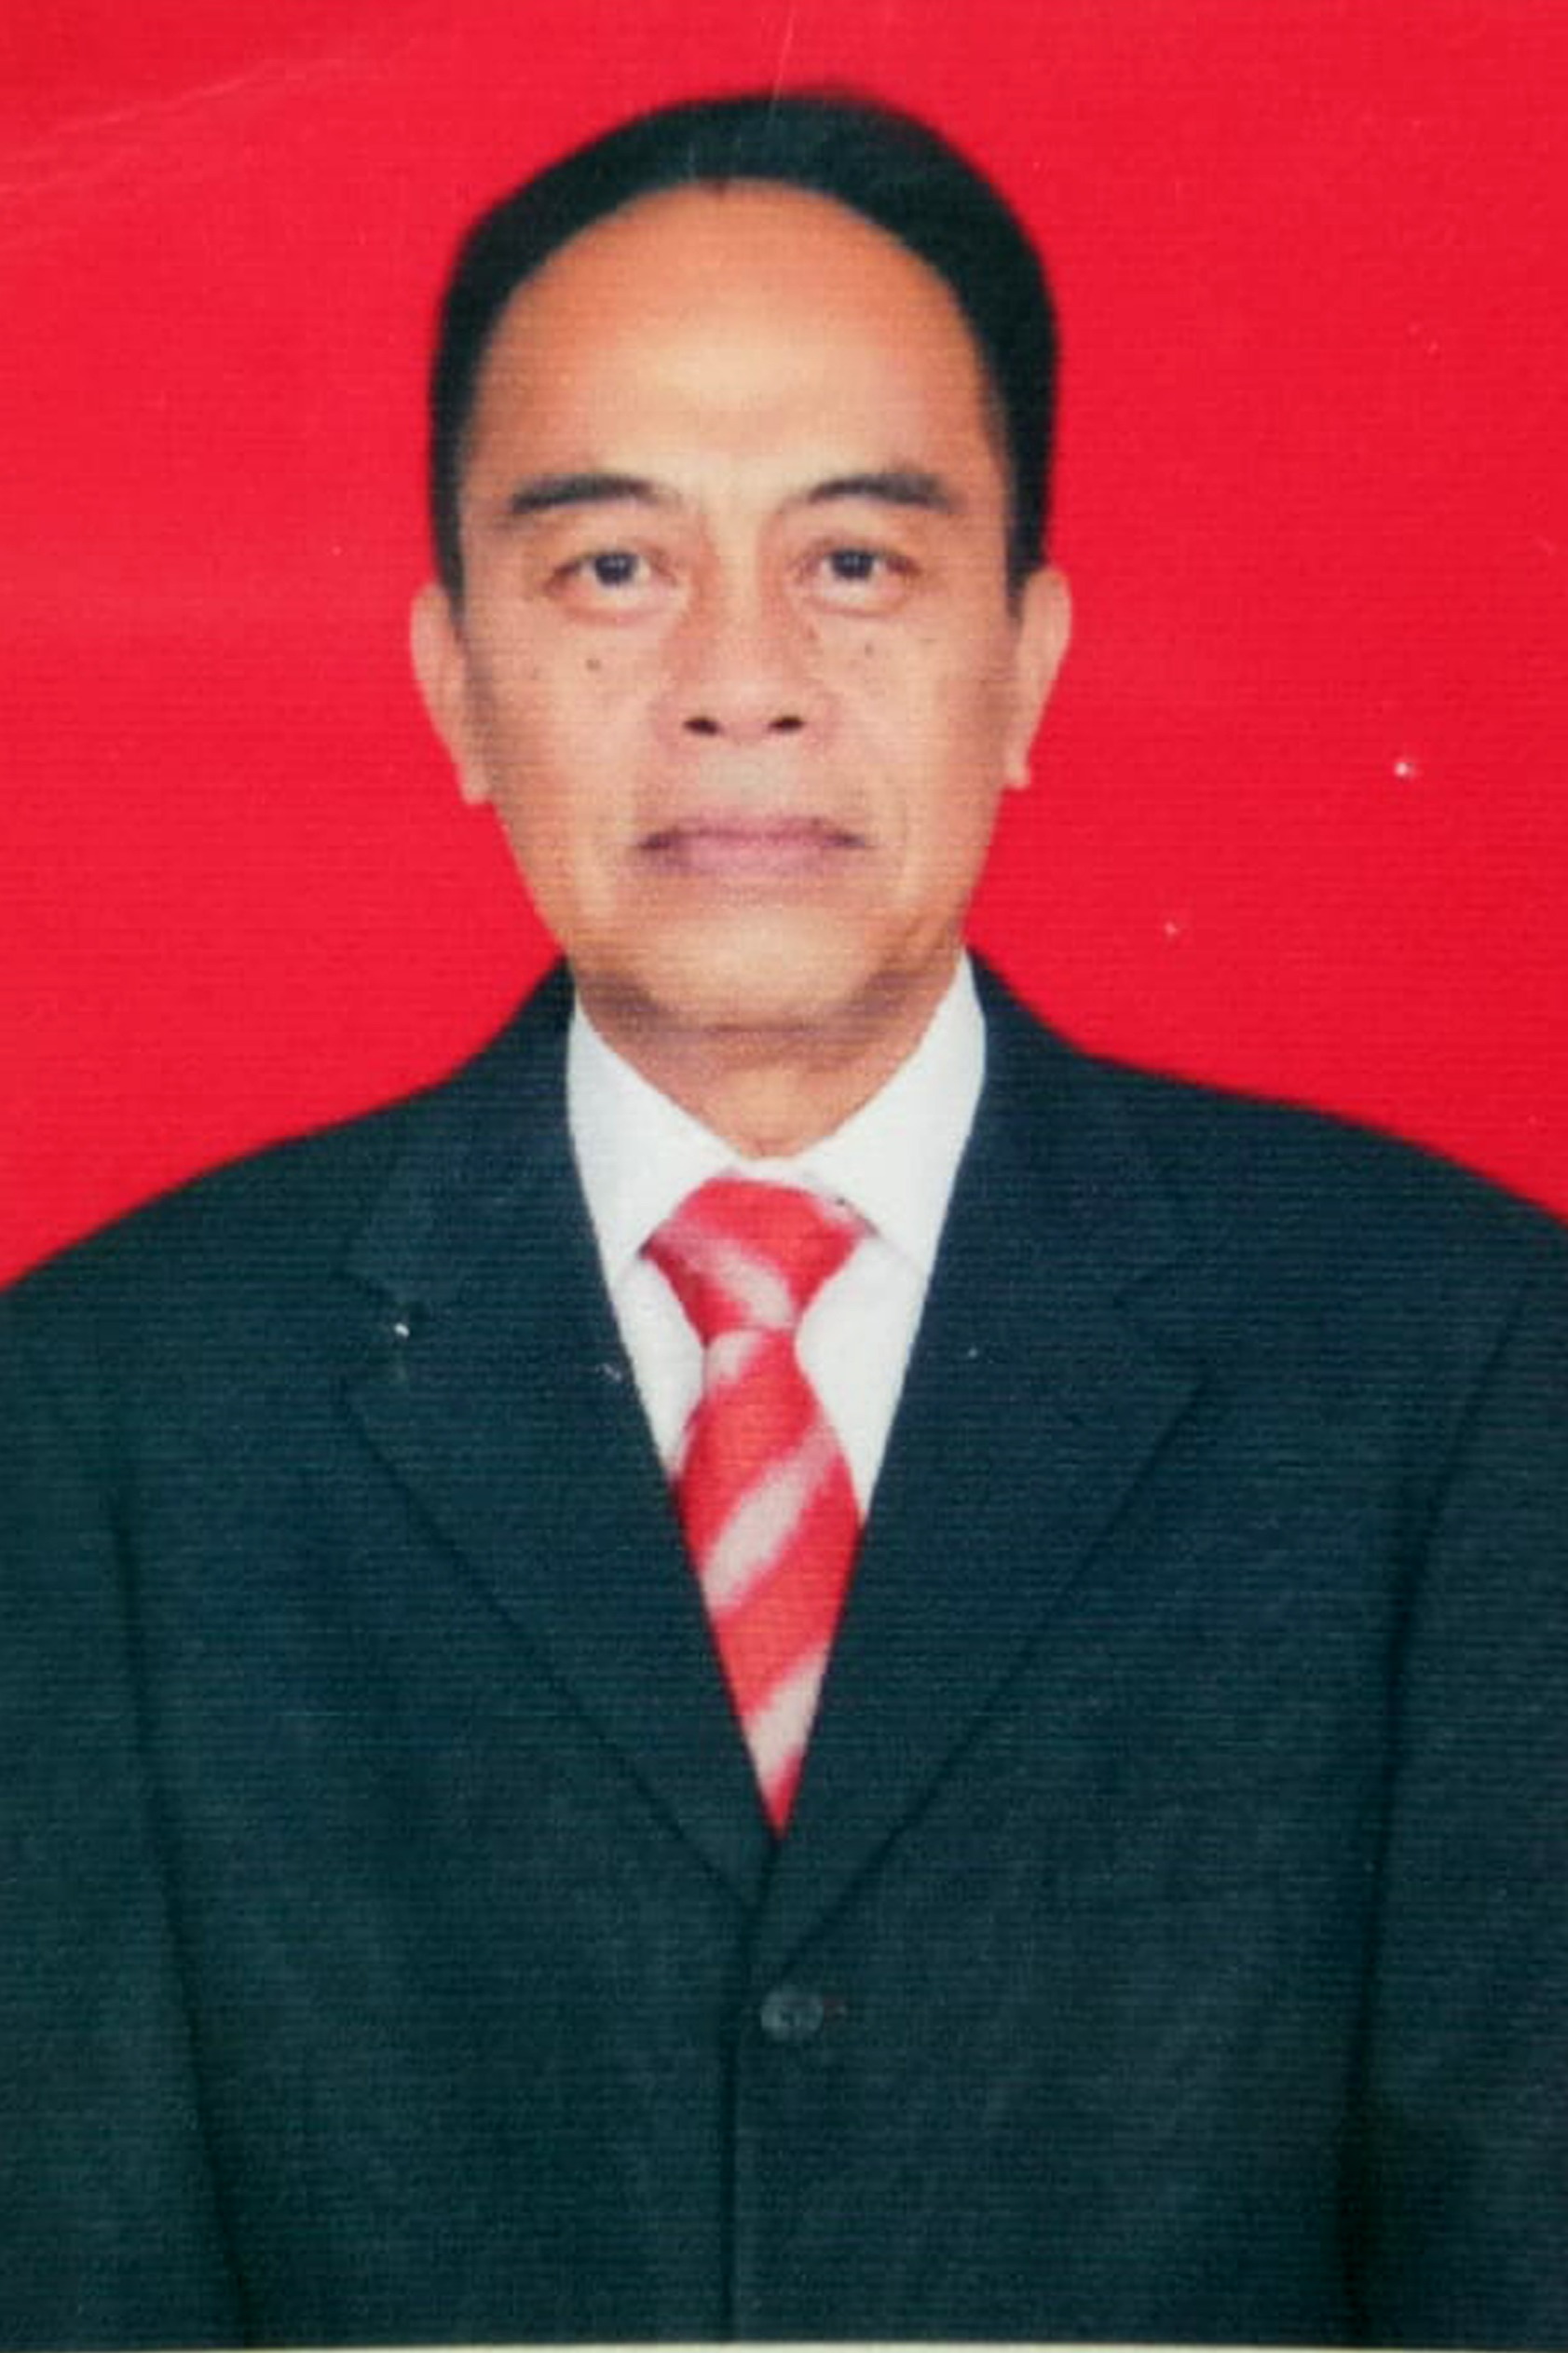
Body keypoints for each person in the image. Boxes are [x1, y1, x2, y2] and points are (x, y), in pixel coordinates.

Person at [3, 89, 1566, 2350]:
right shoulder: (104, 1414)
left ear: (1024, 661)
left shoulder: (1458, 1367)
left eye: (853, 562)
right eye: (611, 569)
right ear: (453, 682)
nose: (739, 683)